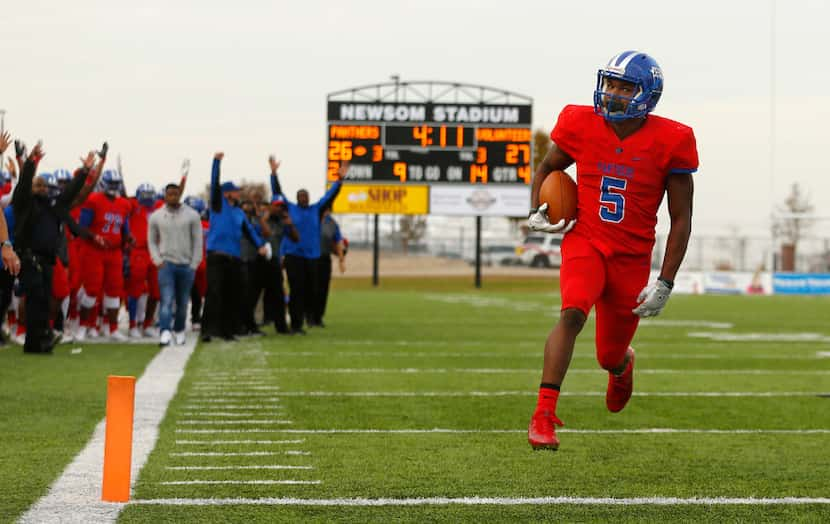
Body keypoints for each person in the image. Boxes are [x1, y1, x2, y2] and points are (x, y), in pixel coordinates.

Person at [526, 51, 698, 450]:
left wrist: (666, 282)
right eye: (610, 84)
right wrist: (536, 209)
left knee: (608, 354)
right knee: (572, 313)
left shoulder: (672, 139)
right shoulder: (581, 123)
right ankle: (543, 415)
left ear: (646, 94)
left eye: (625, 87)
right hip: (585, 239)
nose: (613, 94)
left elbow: (681, 219)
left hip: (631, 256)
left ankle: (622, 366)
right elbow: (548, 168)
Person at [11, 139, 97, 354]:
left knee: (45, 299)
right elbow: (22, 185)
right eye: (37, 185)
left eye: (44, 186)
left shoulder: (53, 205)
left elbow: (71, 192)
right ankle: (35, 341)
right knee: (36, 299)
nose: (42, 188)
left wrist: (86, 170)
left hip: (48, 260)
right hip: (29, 258)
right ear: (31, 187)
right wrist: (30, 163)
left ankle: (42, 339)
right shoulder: (24, 203)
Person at [269, 156, 343, 334]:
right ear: (297, 198)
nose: (303, 198)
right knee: (297, 290)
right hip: (294, 256)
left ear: (309, 198)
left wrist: (339, 180)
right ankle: (296, 324)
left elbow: (330, 195)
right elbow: (277, 191)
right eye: (301, 196)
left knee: (311, 291)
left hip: (312, 257)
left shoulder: (316, 210)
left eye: (306, 196)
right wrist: (273, 173)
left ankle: (309, 318)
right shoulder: (290, 208)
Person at [202, 152, 270, 342]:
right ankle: (207, 330)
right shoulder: (217, 205)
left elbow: (250, 232)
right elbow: (214, 182)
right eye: (235, 190)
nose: (239, 193)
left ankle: (227, 330)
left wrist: (260, 246)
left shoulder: (239, 212)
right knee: (214, 293)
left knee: (231, 295)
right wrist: (216, 162)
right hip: (217, 256)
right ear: (227, 193)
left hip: (234, 259)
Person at [76, 167, 132, 341]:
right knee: (92, 289)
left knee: (115, 290)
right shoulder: (93, 200)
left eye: (116, 183)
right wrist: (95, 236)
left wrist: (128, 239)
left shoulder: (124, 204)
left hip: (114, 251)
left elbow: (125, 229)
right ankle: (83, 325)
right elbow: (81, 227)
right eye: (112, 183)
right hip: (93, 250)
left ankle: (113, 328)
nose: (114, 186)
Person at [148, 183, 203, 346]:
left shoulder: (192, 215)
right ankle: (164, 331)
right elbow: (151, 241)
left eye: (175, 194)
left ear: (180, 194)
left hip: (186, 265)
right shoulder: (156, 216)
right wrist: (157, 260)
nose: (173, 197)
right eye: (169, 194)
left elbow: (198, 241)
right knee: (166, 300)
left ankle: (179, 330)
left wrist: (194, 263)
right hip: (167, 265)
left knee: (182, 302)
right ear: (165, 196)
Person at [312, 206, 346, 327]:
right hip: (310, 258)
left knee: (323, 288)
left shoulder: (332, 223)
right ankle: (309, 315)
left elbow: (338, 241)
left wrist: (341, 260)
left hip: (324, 258)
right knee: (311, 287)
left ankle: (318, 317)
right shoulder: (312, 218)